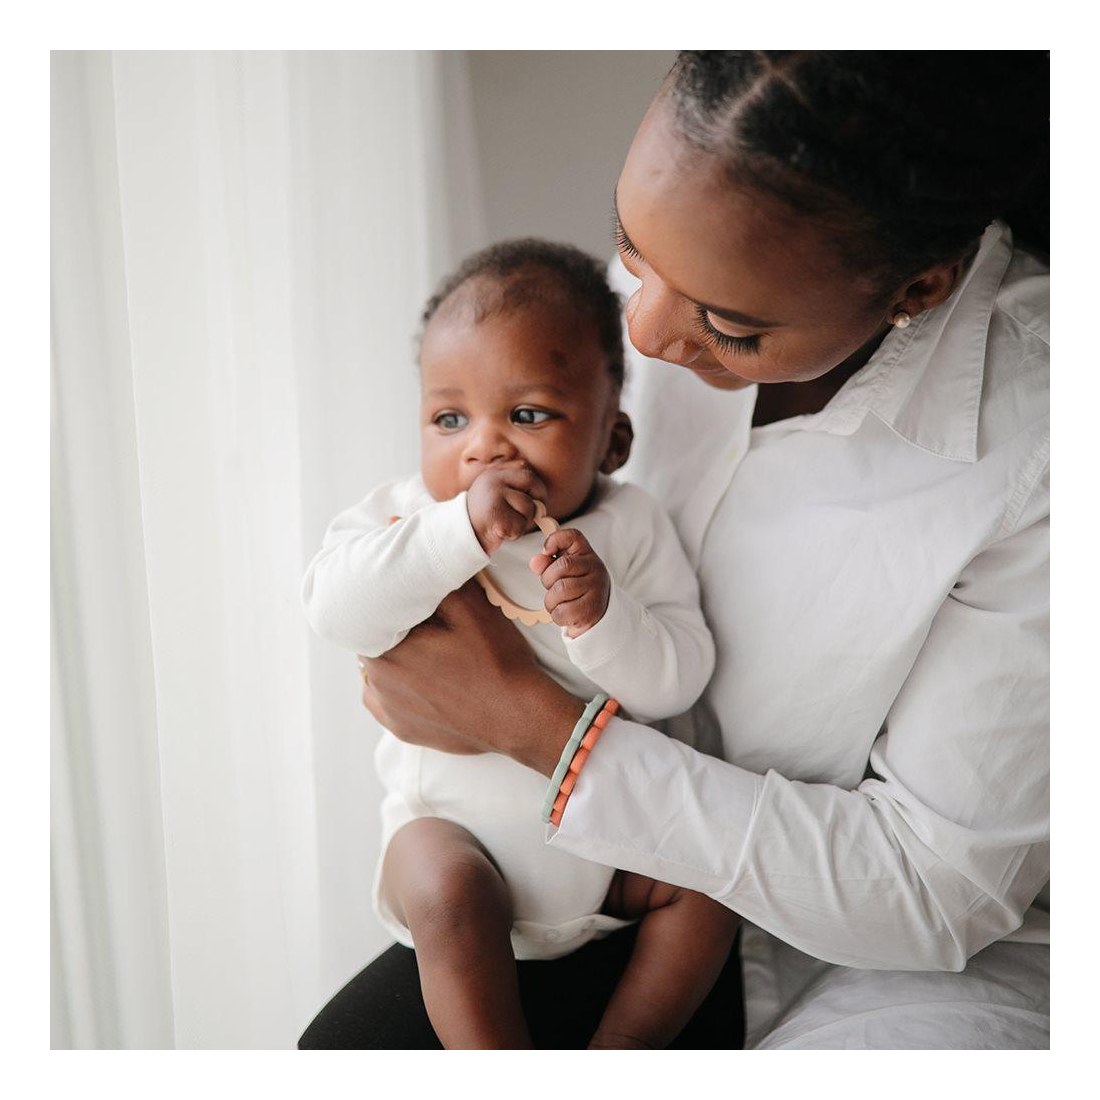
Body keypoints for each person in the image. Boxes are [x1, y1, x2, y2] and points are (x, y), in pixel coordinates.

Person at [299, 50, 1049, 1050]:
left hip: (852, 948)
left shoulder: (1040, 444)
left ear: (915, 287)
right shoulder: (636, 306)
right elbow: (346, 601)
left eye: (728, 324)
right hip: (518, 864)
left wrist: (527, 719)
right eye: (631, 248)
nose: (643, 335)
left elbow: (931, 888)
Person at [301, 239, 741, 1048]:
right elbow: (333, 609)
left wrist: (602, 620)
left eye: (528, 415)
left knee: (715, 891)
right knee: (443, 891)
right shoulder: (405, 519)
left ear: (611, 441)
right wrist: (456, 533)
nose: (484, 448)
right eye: (450, 419)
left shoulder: (630, 527)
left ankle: (622, 1050)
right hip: (457, 842)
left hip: (610, 857)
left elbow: (678, 678)